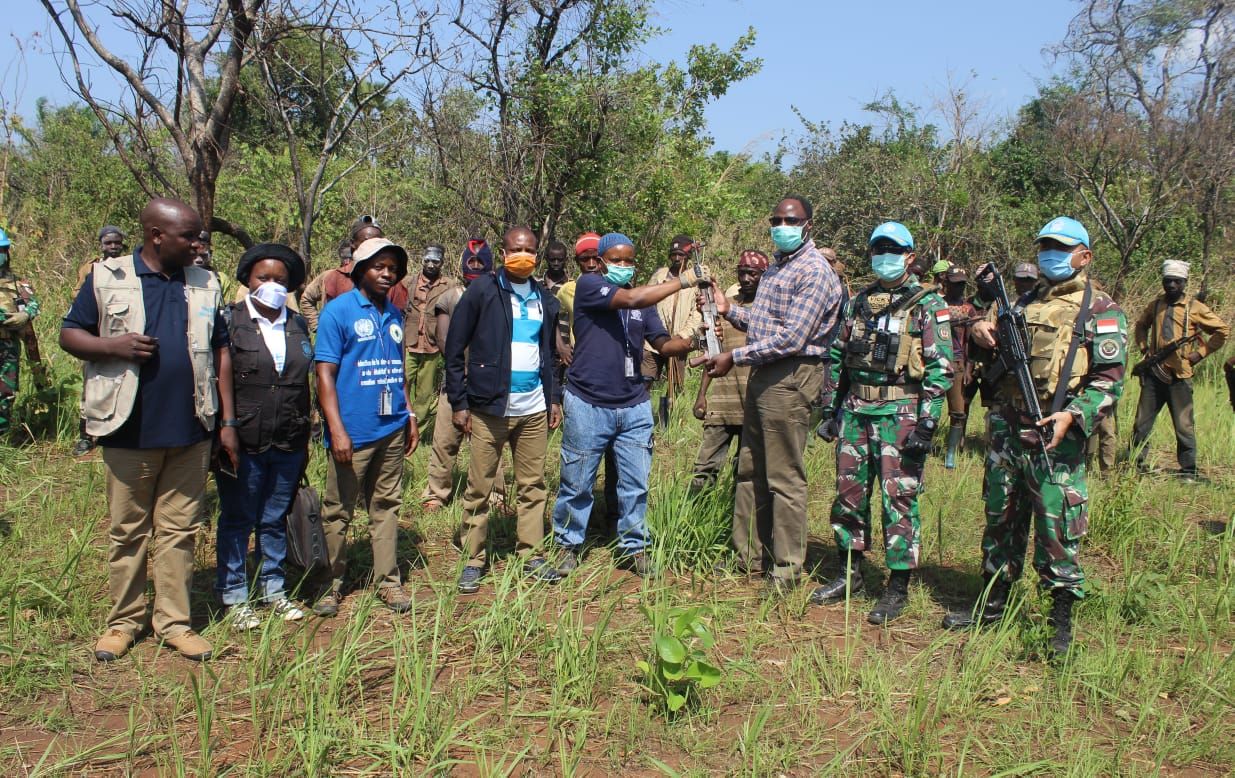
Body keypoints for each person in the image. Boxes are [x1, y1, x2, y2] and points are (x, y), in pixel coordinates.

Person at [60, 197, 237, 662]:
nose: (199, 243)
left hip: (192, 428)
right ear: (157, 235)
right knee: (129, 532)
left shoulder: (205, 282)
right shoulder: (108, 276)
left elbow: (220, 351)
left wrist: (226, 423)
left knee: (180, 532)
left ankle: (175, 622)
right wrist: (111, 345)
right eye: (190, 236)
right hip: (128, 428)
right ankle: (123, 622)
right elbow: (69, 334)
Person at [942, 217, 1126, 657]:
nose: (1050, 254)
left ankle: (1058, 622)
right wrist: (982, 330)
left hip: (1054, 434)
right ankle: (992, 605)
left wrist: (1073, 416)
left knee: (1057, 526)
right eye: (1045, 245)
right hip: (1007, 428)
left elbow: (1109, 381)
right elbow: (991, 343)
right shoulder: (1023, 301)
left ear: (1085, 256)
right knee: (1000, 518)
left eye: (1061, 247)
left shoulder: (1100, 309)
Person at [700, 196, 844, 592]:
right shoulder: (780, 266)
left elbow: (792, 338)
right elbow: (764, 324)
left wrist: (734, 356)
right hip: (764, 373)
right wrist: (728, 308)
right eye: (777, 219)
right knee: (750, 469)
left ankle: (787, 567)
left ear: (808, 225)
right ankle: (747, 555)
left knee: (783, 476)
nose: (782, 225)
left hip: (791, 376)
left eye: (791, 220)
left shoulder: (814, 271)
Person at [813, 222, 954, 623]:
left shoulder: (928, 305)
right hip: (856, 411)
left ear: (910, 256)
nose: (884, 255)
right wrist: (830, 409)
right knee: (848, 495)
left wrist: (928, 424)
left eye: (893, 248)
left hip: (901, 415)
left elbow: (940, 369)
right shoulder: (858, 301)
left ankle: (897, 587)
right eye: (878, 248)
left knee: (899, 500)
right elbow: (838, 357)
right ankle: (850, 573)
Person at [552, 232, 701, 577]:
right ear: (602, 262)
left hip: (634, 404)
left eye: (629, 260)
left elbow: (663, 345)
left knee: (635, 483)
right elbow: (631, 298)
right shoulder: (590, 286)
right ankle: (568, 543)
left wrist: (693, 339)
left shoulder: (643, 304)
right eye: (616, 260)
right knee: (577, 482)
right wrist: (685, 281)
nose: (623, 265)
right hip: (589, 401)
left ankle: (635, 546)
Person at [445, 227, 563, 593]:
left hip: (533, 408)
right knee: (480, 487)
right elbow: (454, 347)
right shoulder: (484, 290)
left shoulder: (544, 297)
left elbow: (547, 353)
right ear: (504, 251)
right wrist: (459, 401)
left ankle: (532, 554)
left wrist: (553, 397)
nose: (522, 256)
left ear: (537, 254)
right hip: (489, 407)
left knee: (533, 485)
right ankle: (474, 558)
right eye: (516, 249)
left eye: (529, 250)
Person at [312, 237, 420, 617]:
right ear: (360, 270)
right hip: (352, 431)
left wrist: (408, 415)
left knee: (386, 505)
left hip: (390, 428)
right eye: (379, 267)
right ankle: (330, 583)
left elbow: (398, 369)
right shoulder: (337, 312)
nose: (387, 274)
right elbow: (324, 373)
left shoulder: (393, 314)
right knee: (338, 510)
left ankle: (388, 583)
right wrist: (336, 429)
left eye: (392, 268)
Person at [215, 243, 312, 629]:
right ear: (248, 281)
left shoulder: (296, 323)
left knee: (273, 518)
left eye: (281, 280)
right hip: (244, 437)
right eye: (264, 278)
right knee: (239, 517)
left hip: (289, 435)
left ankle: (274, 588)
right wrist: (227, 428)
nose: (272, 285)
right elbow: (218, 378)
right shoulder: (229, 321)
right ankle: (234, 594)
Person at [421, 239, 508, 513]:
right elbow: (445, 339)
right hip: (456, 382)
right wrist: (463, 368)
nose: (476, 267)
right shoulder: (451, 296)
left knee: (490, 443)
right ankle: (436, 493)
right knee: (445, 441)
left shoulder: (500, 296)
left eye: (480, 263)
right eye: (471, 263)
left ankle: (496, 495)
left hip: (488, 384)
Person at [1128, 260, 1229, 480]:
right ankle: (1136, 465)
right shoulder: (1155, 305)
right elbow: (1141, 325)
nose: (1172, 285)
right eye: (1168, 280)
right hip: (1154, 373)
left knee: (1184, 426)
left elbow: (1222, 331)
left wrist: (1200, 354)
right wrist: (1144, 348)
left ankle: (1188, 470)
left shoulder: (1195, 308)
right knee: (1141, 424)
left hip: (1179, 376)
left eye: (1177, 281)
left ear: (1184, 283)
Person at [690, 250, 766, 491]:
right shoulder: (725, 308)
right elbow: (714, 352)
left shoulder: (768, 313)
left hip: (753, 402)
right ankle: (695, 517)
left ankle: (736, 521)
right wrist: (702, 395)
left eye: (752, 273)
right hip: (722, 403)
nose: (746, 278)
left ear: (764, 276)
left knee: (744, 471)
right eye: (742, 272)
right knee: (704, 468)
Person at [300, 219, 406, 332]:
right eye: (366, 241)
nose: (372, 245)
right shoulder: (333, 277)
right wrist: (318, 327)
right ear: (353, 244)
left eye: (378, 241)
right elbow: (307, 299)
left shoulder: (390, 281)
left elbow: (397, 322)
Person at [0, 228, 48, 439]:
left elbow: (34, 304)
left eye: (2, 250)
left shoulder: (18, 284)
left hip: (8, 347)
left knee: (6, 393)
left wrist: (26, 314)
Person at [402, 244, 456, 432]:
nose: (431, 265)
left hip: (433, 345)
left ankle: (417, 430)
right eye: (428, 260)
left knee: (424, 394)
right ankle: (398, 429)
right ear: (422, 260)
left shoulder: (449, 285)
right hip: (409, 344)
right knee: (402, 385)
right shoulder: (408, 282)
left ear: (442, 262)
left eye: (436, 261)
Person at [646, 235, 703, 392]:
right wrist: (652, 332)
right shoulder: (660, 275)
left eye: (681, 255)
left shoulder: (694, 279)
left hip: (678, 341)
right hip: (653, 341)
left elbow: (697, 313)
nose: (677, 258)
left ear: (688, 257)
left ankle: (671, 415)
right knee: (645, 379)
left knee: (676, 386)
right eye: (674, 254)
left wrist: (682, 335)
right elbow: (647, 302)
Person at [940, 265, 978, 469]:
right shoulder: (935, 304)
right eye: (955, 284)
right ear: (946, 284)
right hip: (935, 361)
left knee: (958, 411)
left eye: (962, 284)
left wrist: (968, 369)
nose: (958, 288)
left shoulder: (968, 309)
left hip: (957, 363)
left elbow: (970, 342)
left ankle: (951, 453)